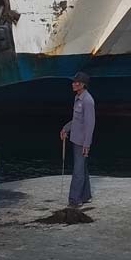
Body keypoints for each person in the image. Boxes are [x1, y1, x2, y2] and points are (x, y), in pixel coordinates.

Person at [59, 72, 95, 207]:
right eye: (73, 82)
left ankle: (74, 200)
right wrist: (65, 128)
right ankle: (86, 196)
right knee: (82, 168)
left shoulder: (87, 101)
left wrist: (87, 145)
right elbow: (76, 120)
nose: (74, 84)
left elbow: (90, 124)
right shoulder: (78, 98)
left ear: (83, 85)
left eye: (77, 82)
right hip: (75, 138)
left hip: (82, 142)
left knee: (78, 171)